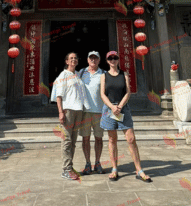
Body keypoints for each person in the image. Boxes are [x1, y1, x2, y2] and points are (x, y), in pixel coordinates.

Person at [100, 51, 152, 182]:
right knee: (112, 139)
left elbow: (128, 92)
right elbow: (102, 94)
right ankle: (114, 169)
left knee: (131, 138)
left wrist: (120, 106)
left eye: (115, 58)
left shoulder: (124, 74)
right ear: (107, 61)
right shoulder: (104, 76)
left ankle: (139, 170)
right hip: (109, 109)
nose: (113, 60)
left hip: (123, 108)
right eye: (110, 58)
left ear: (118, 59)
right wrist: (112, 107)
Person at [50, 52, 91, 180]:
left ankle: (70, 166)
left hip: (78, 110)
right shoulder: (64, 75)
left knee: (73, 141)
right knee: (67, 140)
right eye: (71, 58)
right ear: (67, 61)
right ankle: (66, 169)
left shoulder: (78, 75)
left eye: (75, 58)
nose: (73, 60)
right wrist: (61, 112)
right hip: (68, 111)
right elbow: (59, 95)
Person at [78, 51, 106, 175]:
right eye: (91, 58)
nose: (93, 60)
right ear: (87, 60)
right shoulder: (81, 73)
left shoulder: (103, 74)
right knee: (85, 139)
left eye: (96, 58)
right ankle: (88, 163)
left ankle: (98, 162)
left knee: (99, 138)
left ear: (99, 60)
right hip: (85, 112)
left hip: (100, 112)